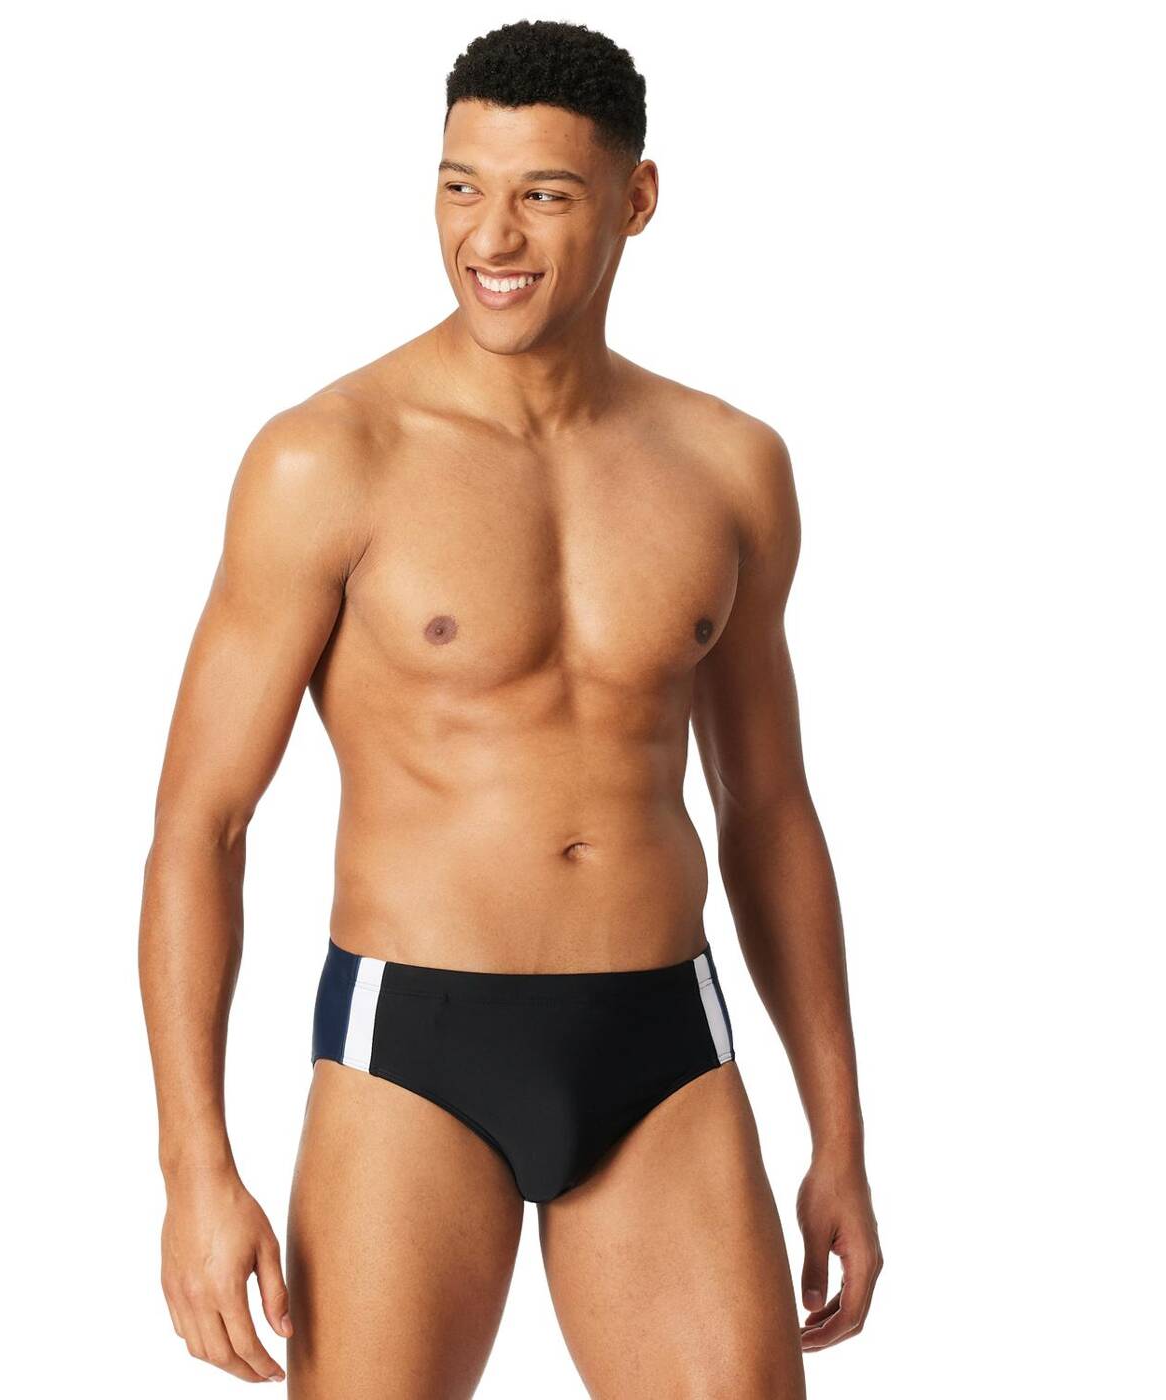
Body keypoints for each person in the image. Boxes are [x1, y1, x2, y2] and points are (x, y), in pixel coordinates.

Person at [139, 19, 881, 1395]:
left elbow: (769, 809)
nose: (492, 236)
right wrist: (196, 1168)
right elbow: (203, 822)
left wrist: (838, 1132)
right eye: (460, 186)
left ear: (635, 199)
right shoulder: (330, 458)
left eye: (543, 193)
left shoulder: (728, 466)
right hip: (412, 1046)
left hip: (663, 1047)